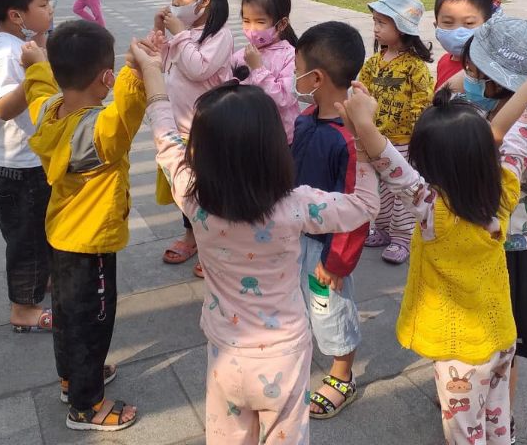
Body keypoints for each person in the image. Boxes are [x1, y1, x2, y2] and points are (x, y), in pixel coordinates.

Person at [130, 35, 382, 445]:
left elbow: (165, 136)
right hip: (285, 356)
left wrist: (152, 71)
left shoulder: (193, 199)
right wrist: (362, 135)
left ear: (201, 152)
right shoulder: (297, 206)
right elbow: (365, 205)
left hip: (225, 353)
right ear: (275, 148)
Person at [340, 60, 527, 445]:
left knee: (465, 433)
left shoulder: (432, 210)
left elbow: (390, 164)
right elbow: (524, 130)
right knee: (497, 416)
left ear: (426, 164)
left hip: (460, 356)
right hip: (501, 336)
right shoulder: (504, 188)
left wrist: (363, 124)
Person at [21, 21, 147, 432]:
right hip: (92, 245)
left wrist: (35, 63)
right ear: (105, 78)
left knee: (67, 315)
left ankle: (72, 379)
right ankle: (87, 406)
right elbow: (128, 110)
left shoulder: (49, 113)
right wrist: (136, 69)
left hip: (61, 237)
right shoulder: (102, 132)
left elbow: (39, 90)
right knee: (93, 323)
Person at [458, 17, 527, 444]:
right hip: (489, 244)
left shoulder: (511, 126)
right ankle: (471, 400)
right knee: (479, 339)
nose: (467, 77)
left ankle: (502, 418)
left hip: (505, 250)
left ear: (495, 81)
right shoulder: (511, 109)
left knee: (505, 346)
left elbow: (496, 138)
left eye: (473, 70)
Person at [291, 22, 367, 419]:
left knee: (330, 309)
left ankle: (342, 375)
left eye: (297, 69)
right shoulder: (305, 119)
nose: (293, 77)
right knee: (301, 304)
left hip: (327, 249)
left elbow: (356, 209)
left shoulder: (348, 138)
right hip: (295, 234)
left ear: (316, 78)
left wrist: (337, 261)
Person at [0, 0, 55, 334]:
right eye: (43, 4)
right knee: (26, 240)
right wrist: (33, 74)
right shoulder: (6, 52)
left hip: (31, 160)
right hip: (17, 166)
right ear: (16, 15)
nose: (50, 9)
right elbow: (2, 107)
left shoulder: (20, 45)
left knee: (40, 231)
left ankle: (42, 279)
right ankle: (24, 309)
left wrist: (40, 46)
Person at [152, 0, 233, 277]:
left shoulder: (219, 36)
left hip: (207, 131)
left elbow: (198, 68)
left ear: (204, 0)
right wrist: (160, 31)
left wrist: (180, 35)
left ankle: (214, 243)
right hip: (180, 130)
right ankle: (192, 236)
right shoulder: (182, 34)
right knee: (185, 191)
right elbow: (162, 63)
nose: (175, 3)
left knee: (210, 192)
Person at [358, 0, 434, 264]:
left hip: (403, 142)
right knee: (380, 189)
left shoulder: (415, 67)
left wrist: (415, 135)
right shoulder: (374, 63)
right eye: (375, 22)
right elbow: (362, 90)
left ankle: (402, 237)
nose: (375, 28)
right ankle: (381, 228)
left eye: (382, 22)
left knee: (401, 191)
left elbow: (422, 101)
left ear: (401, 27)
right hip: (376, 140)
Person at [231, 0, 298, 143]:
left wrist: (258, 68)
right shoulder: (240, 56)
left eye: (260, 22)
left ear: (282, 24)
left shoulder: (291, 56)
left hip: (280, 139)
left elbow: (284, 99)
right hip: (247, 135)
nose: (251, 29)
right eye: (246, 21)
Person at [433, 0, 495, 91]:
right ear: (436, 26)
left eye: (469, 23)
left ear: (487, 26)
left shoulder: (492, 70)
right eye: (448, 22)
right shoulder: (443, 61)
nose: (459, 32)